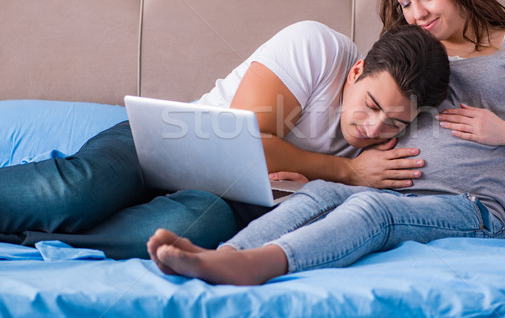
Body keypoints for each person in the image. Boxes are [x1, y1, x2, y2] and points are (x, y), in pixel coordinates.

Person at [146, 0, 505, 286]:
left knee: (373, 211)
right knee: (322, 195)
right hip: (390, 191)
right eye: (405, 3)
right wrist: (319, 172)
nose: (417, 13)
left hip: (472, 206)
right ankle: (224, 256)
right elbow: (365, 136)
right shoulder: (409, 51)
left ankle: (260, 266)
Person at [0, 21, 448, 259]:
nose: (371, 129)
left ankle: (28, 237)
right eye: (369, 105)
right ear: (357, 71)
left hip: (227, 202)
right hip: (170, 142)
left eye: (393, 123)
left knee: (184, 234)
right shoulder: (316, 47)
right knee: (78, 192)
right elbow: (246, 141)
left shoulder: (397, 138)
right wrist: (347, 170)